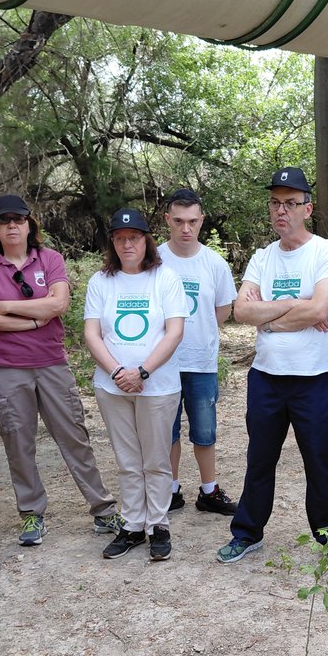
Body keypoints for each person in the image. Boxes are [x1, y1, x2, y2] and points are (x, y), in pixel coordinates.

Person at [0, 193, 121, 546]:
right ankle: (31, 513)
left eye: (18, 219)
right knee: (18, 442)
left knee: (74, 436)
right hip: (6, 368)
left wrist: (4, 306)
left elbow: (59, 303)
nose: (12, 226)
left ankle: (103, 509)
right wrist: (33, 322)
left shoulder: (49, 258)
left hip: (51, 363)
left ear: (29, 223)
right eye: (4, 221)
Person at [217, 167, 328, 566]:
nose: (281, 211)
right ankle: (247, 533)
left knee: (321, 461)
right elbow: (241, 311)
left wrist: (270, 316)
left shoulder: (327, 253)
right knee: (259, 458)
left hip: (315, 378)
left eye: (290, 203)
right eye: (275, 203)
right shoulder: (261, 257)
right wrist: (296, 309)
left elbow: (321, 308)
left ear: (307, 209)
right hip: (267, 377)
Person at [85, 208, 187, 561]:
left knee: (156, 459)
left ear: (146, 240)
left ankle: (158, 524)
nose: (128, 244)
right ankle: (131, 525)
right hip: (112, 388)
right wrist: (117, 372)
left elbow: (175, 331)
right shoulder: (101, 281)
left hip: (157, 386)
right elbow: (92, 333)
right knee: (128, 460)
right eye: (120, 238)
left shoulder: (165, 278)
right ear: (112, 242)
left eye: (135, 237)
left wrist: (142, 371)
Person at [157, 189, 239, 516]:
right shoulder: (155, 259)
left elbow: (222, 309)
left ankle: (209, 491)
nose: (186, 229)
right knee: (168, 429)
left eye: (192, 221)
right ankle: (171, 489)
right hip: (162, 363)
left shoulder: (214, 263)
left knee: (204, 431)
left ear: (202, 220)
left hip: (201, 362)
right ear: (168, 221)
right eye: (178, 221)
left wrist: (199, 332)